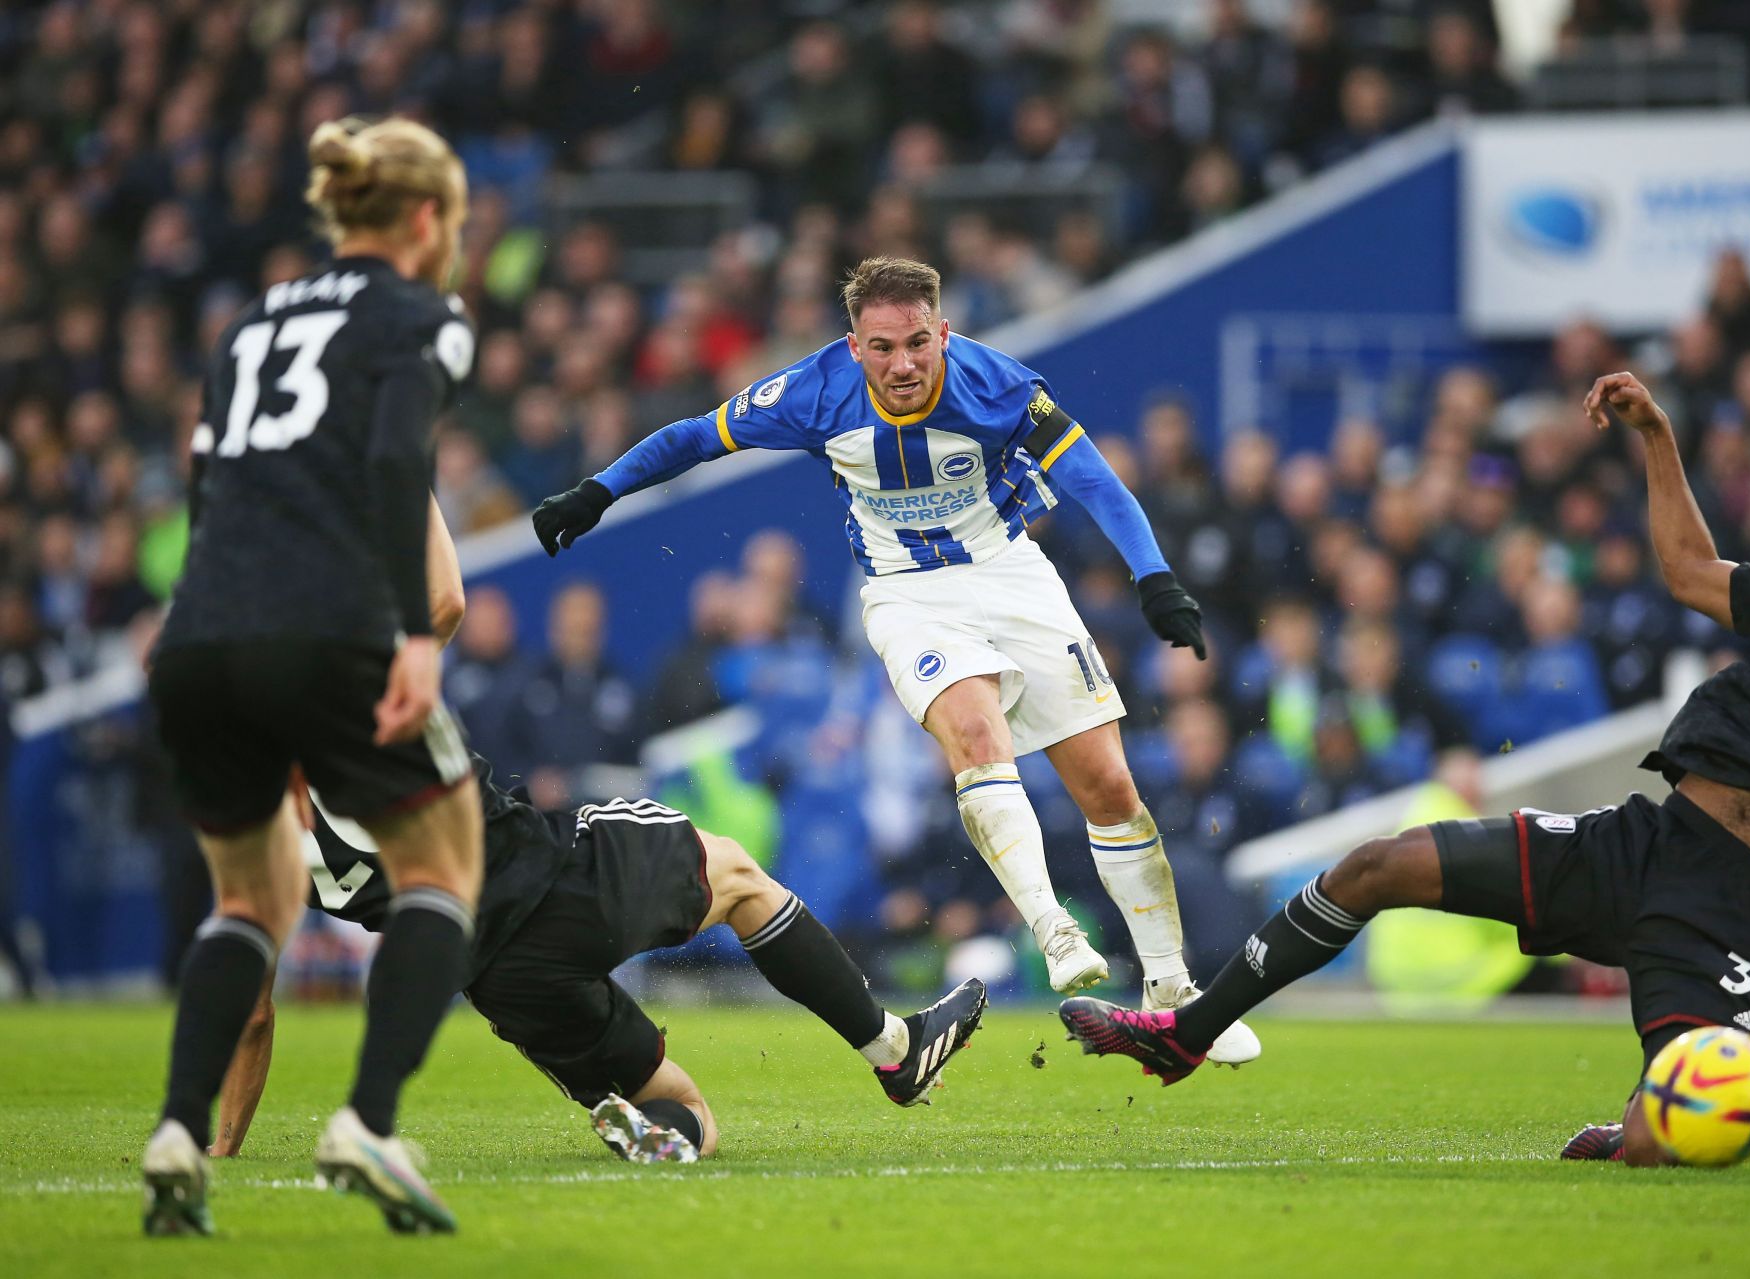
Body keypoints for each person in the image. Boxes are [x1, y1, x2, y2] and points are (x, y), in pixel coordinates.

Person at [1061, 371, 1750, 1167]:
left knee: (1671, 1144)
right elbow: (1692, 571)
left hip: (1739, 918)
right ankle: (1187, 1032)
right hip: (1644, 844)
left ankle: (1639, 1123)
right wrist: (1657, 434)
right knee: (1376, 863)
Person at [533, 256, 1258, 1065]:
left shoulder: (999, 384)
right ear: (853, 346)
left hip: (1010, 572)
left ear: (943, 331)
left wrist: (1154, 577)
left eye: (918, 342)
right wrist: (597, 490)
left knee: (1111, 787)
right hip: (908, 594)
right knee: (976, 738)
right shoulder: (814, 391)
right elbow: (696, 438)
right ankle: (1055, 931)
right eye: (882, 347)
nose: (903, 364)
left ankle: (1171, 990)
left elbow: (1094, 480)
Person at [140, 117, 483, 1236]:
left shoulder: (246, 324)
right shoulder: (425, 317)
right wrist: (417, 640)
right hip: (327, 628)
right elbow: (392, 460)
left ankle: (179, 1136)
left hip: (199, 634)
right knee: (445, 873)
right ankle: (368, 1120)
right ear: (428, 219)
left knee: (248, 900)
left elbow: (209, 480)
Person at [209, 755, 989, 1166]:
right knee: (740, 876)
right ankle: (894, 1049)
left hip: (498, 976)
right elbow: (435, 603)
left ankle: (657, 1130)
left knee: (689, 1106)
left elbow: (252, 1012)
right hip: (560, 878)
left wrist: (224, 1144)